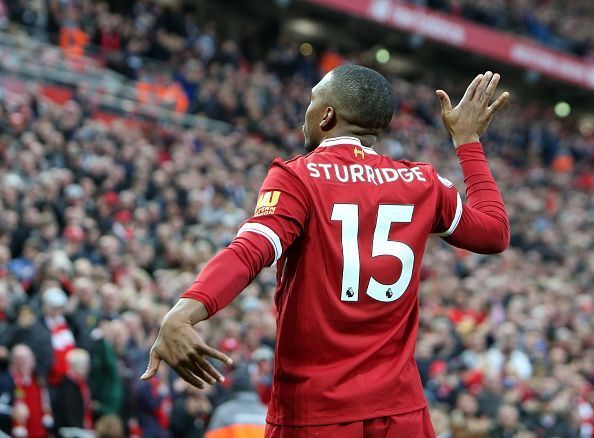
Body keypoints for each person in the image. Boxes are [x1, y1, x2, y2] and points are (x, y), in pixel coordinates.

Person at [141, 66, 510, 435]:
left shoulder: (298, 177)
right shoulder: (422, 182)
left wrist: (184, 312)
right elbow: (494, 233)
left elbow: (249, 250)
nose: (307, 112)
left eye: (312, 100)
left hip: (315, 411)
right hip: (402, 413)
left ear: (327, 115)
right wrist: (467, 142)